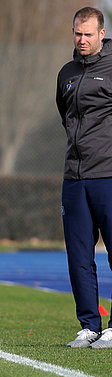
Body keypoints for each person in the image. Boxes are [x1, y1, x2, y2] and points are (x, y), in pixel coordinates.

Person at [56, 7, 112, 348]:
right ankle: (89, 325)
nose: (82, 40)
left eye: (88, 34)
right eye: (78, 33)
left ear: (101, 34)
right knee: (79, 255)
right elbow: (66, 117)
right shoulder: (67, 73)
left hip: (108, 174)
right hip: (74, 178)